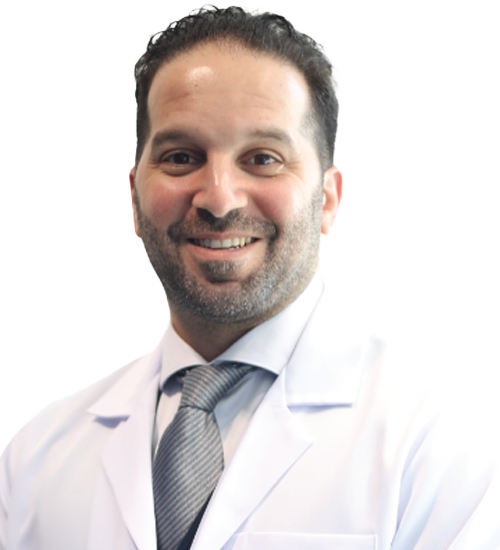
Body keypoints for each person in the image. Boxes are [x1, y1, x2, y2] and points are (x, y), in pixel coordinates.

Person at [1, 5, 499, 550]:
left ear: (328, 199)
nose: (218, 198)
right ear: (134, 197)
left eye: (262, 158)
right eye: (181, 157)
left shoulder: (440, 440)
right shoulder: (36, 462)